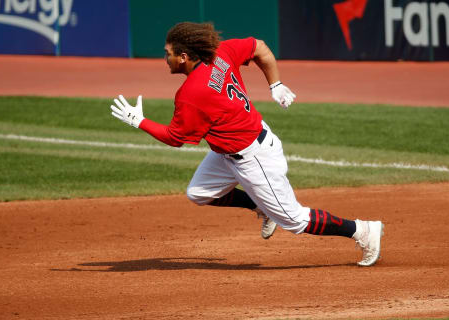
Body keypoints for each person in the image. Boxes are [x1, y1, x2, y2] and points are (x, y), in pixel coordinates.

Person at [110, 22, 384, 266]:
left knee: (295, 220)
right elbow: (260, 47)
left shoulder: (191, 94)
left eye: (167, 53)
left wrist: (139, 121)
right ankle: (262, 206)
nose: (165, 58)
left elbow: (175, 138)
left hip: (254, 158)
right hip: (234, 149)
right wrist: (275, 84)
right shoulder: (221, 53)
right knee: (199, 193)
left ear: (183, 57)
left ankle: (362, 230)